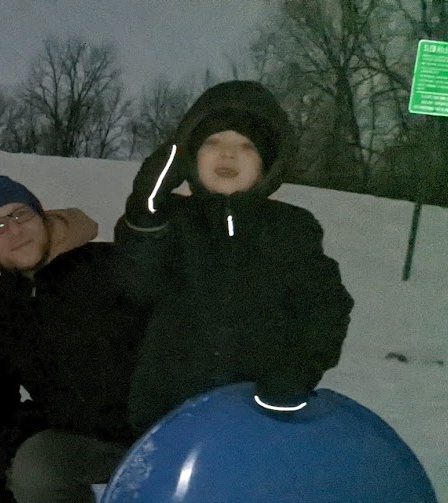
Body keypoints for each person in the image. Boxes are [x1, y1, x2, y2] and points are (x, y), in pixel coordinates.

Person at [115, 80, 355, 437]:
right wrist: (145, 215)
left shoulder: (293, 229)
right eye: (212, 143)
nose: (227, 154)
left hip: (258, 416)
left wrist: (295, 375)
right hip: (167, 415)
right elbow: (136, 284)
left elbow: (323, 310)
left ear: (268, 164)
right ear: (189, 158)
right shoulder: (170, 222)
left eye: (246, 146)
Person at [0, 176, 153, 503]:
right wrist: (19, 436)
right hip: (92, 444)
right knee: (31, 472)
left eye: (21, 215)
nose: (14, 231)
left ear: (42, 216)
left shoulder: (110, 265)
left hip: (159, 431)